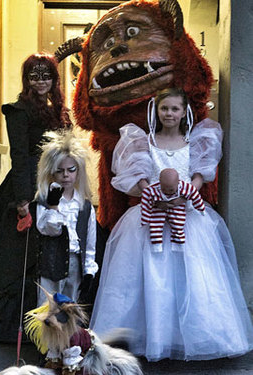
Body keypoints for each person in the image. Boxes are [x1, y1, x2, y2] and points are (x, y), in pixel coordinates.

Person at [90, 87, 253, 361]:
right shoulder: (144, 142)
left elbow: (198, 177)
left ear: (184, 112)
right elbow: (141, 178)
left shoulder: (195, 142)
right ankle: (150, 337)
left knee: (191, 278)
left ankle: (187, 337)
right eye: (164, 108)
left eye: (175, 109)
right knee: (150, 277)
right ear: (156, 111)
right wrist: (154, 197)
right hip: (150, 219)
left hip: (187, 218)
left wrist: (182, 197)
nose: (169, 113)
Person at [0, 53, 71, 342]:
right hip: (27, 186)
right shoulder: (18, 110)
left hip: (56, 186)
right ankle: (20, 329)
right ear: (26, 79)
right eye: (34, 76)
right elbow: (20, 156)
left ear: (54, 79)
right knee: (18, 257)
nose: (41, 81)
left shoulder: (59, 111)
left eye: (46, 75)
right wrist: (23, 199)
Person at [35, 132, 98, 305]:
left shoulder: (84, 206)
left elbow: (89, 241)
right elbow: (48, 229)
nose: (65, 175)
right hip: (51, 261)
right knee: (47, 309)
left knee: (71, 309)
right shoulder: (45, 201)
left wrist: (89, 270)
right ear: (51, 172)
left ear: (78, 171)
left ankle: (69, 334)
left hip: (75, 263)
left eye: (71, 170)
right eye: (59, 171)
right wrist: (53, 206)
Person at [141, 168, 205, 252]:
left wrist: (200, 207)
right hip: (157, 208)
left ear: (178, 182)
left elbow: (194, 194)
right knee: (155, 225)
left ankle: (178, 244)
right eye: (164, 189)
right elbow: (145, 199)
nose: (167, 192)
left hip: (179, 206)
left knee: (178, 224)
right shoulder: (152, 189)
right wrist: (145, 217)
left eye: (171, 190)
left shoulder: (185, 187)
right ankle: (156, 245)